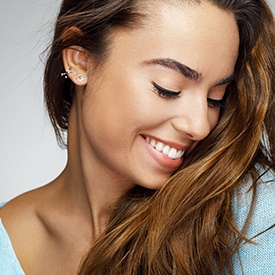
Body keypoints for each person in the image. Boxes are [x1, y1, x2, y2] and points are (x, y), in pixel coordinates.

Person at [0, 0, 274, 274]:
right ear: (80, 60)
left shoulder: (252, 216)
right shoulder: (7, 241)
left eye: (216, 99)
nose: (200, 126)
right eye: (168, 89)